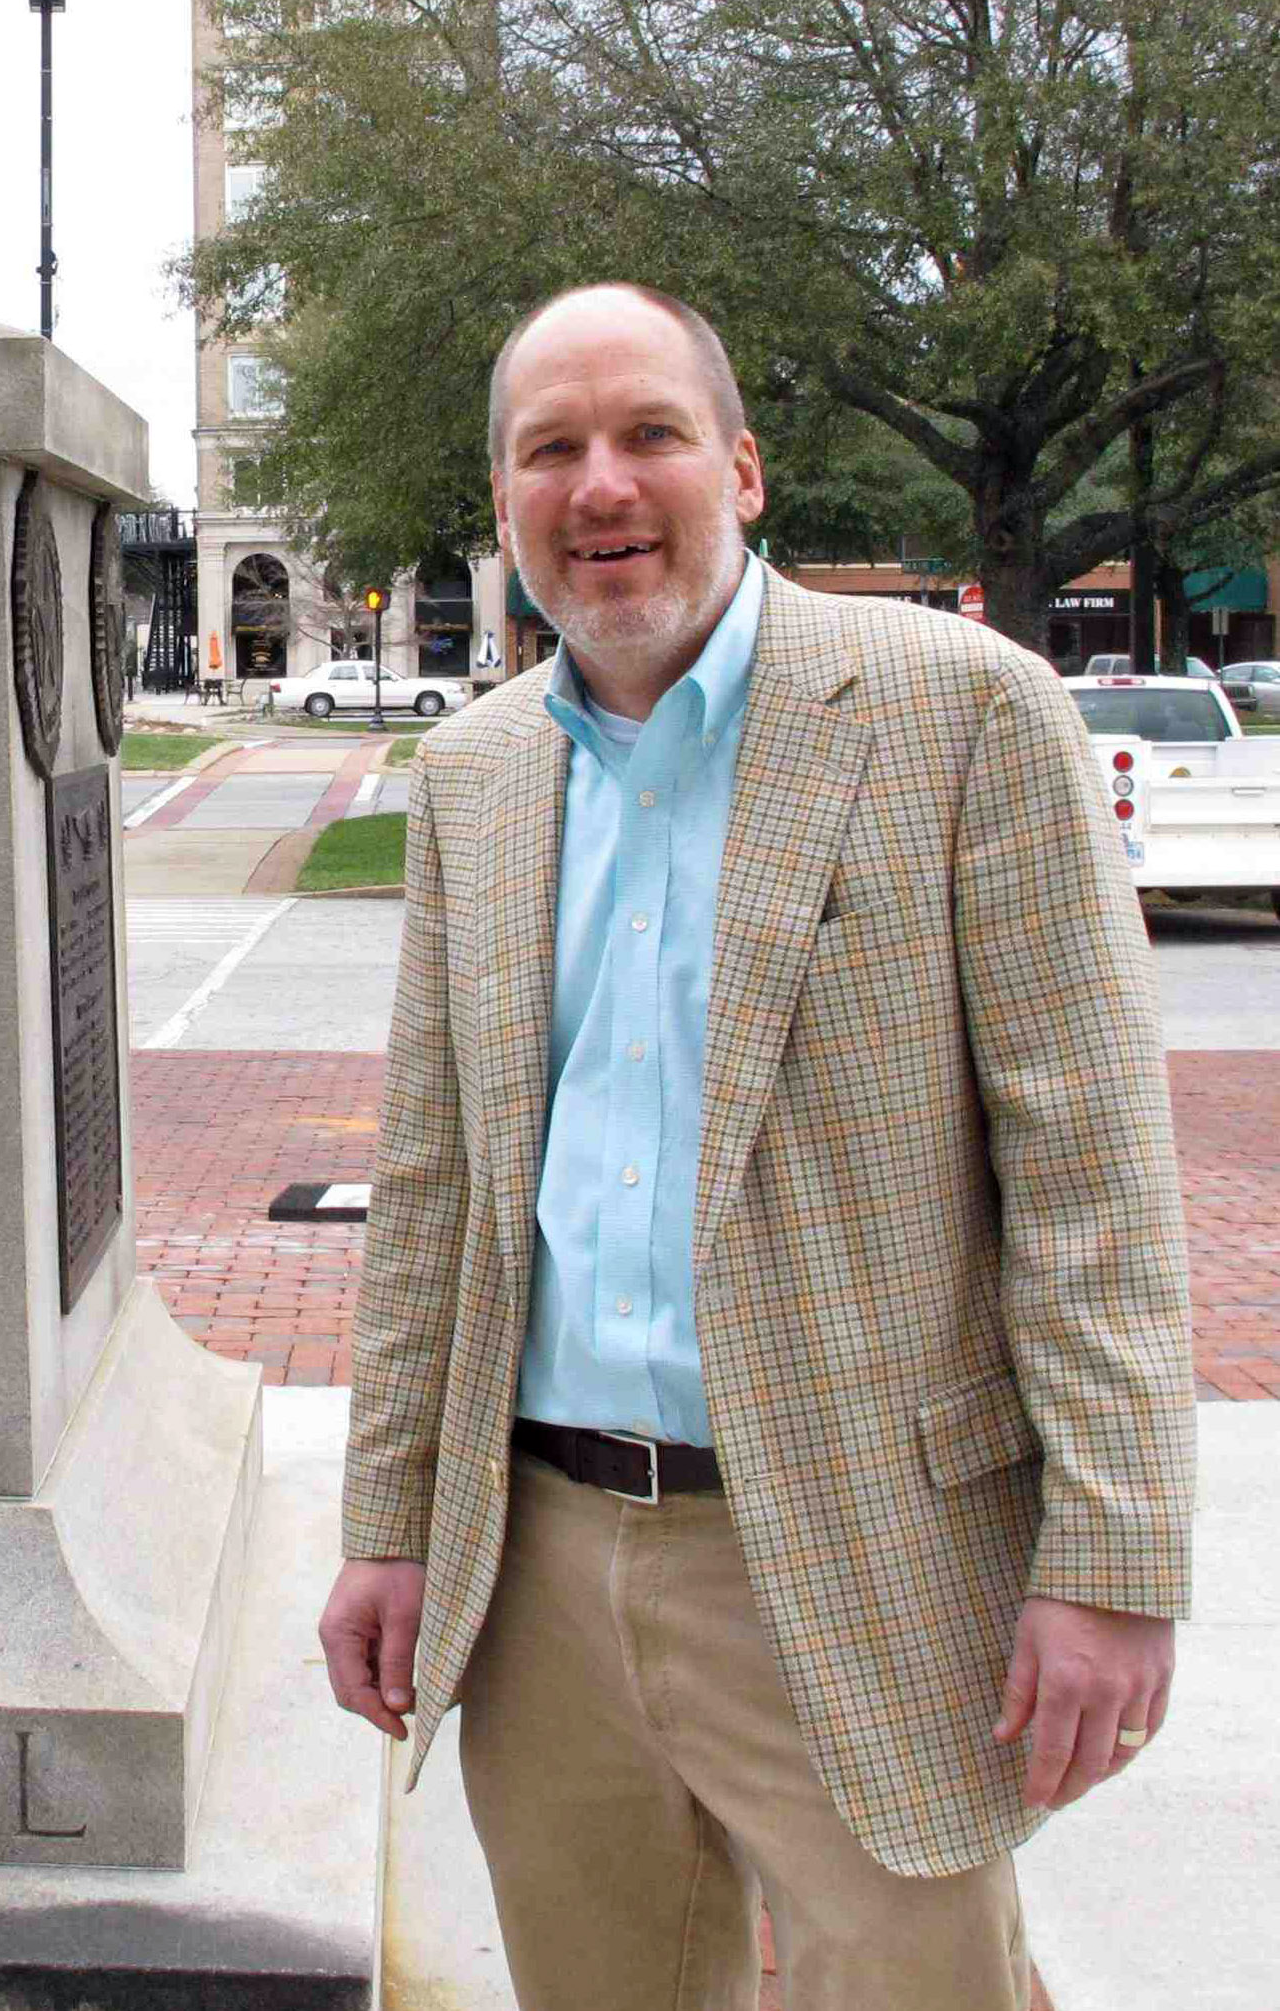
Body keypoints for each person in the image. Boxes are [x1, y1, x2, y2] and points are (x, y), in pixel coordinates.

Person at [317, 283, 1195, 2010]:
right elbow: (434, 1197)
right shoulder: (474, 780)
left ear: (742, 466)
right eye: (547, 450)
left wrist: (1107, 1562)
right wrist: (391, 1518)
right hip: (541, 1565)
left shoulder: (968, 717)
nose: (600, 487)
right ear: (501, 503)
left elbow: (1090, 1177)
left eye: (645, 433)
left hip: (859, 1550)